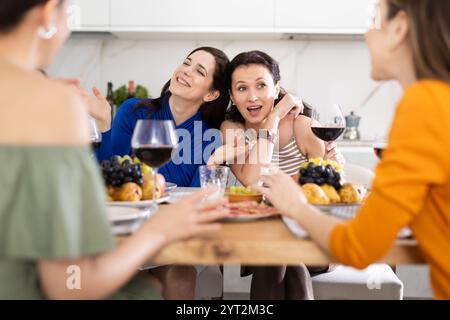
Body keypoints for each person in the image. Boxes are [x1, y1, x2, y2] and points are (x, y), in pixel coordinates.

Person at [0, 0, 228, 299]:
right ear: (47, 12)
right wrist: (159, 231)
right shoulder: (53, 104)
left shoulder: (210, 132)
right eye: (70, 13)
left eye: (198, 71)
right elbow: (71, 284)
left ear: (211, 92)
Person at [253, 0, 450, 300]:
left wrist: (295, 206)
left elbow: (358, 247)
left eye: (374, 21)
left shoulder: (425, 106)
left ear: (399, 29)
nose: (367, 34)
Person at [209, 50, 344, 299]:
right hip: (261, 233)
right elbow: (253, 181)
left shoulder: (302, 126)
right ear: (231, 95)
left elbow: (323, 189)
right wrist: (273, 118)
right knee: (278, 253)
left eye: (261, 85)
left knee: (278, 256)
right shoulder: (232, 129)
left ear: (277, 88)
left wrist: (330, 168)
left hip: (312, 233)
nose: (252, 97)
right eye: (242, 88)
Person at [94, 47, 230, 188]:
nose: (186, 70)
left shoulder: (210, 138)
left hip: (180, 210)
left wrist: (213, 162)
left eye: (200, 71)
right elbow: (108, 179)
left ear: (211, 94)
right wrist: (103, 122)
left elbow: (199, 198)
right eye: (186, 63)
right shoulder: (133, 111)